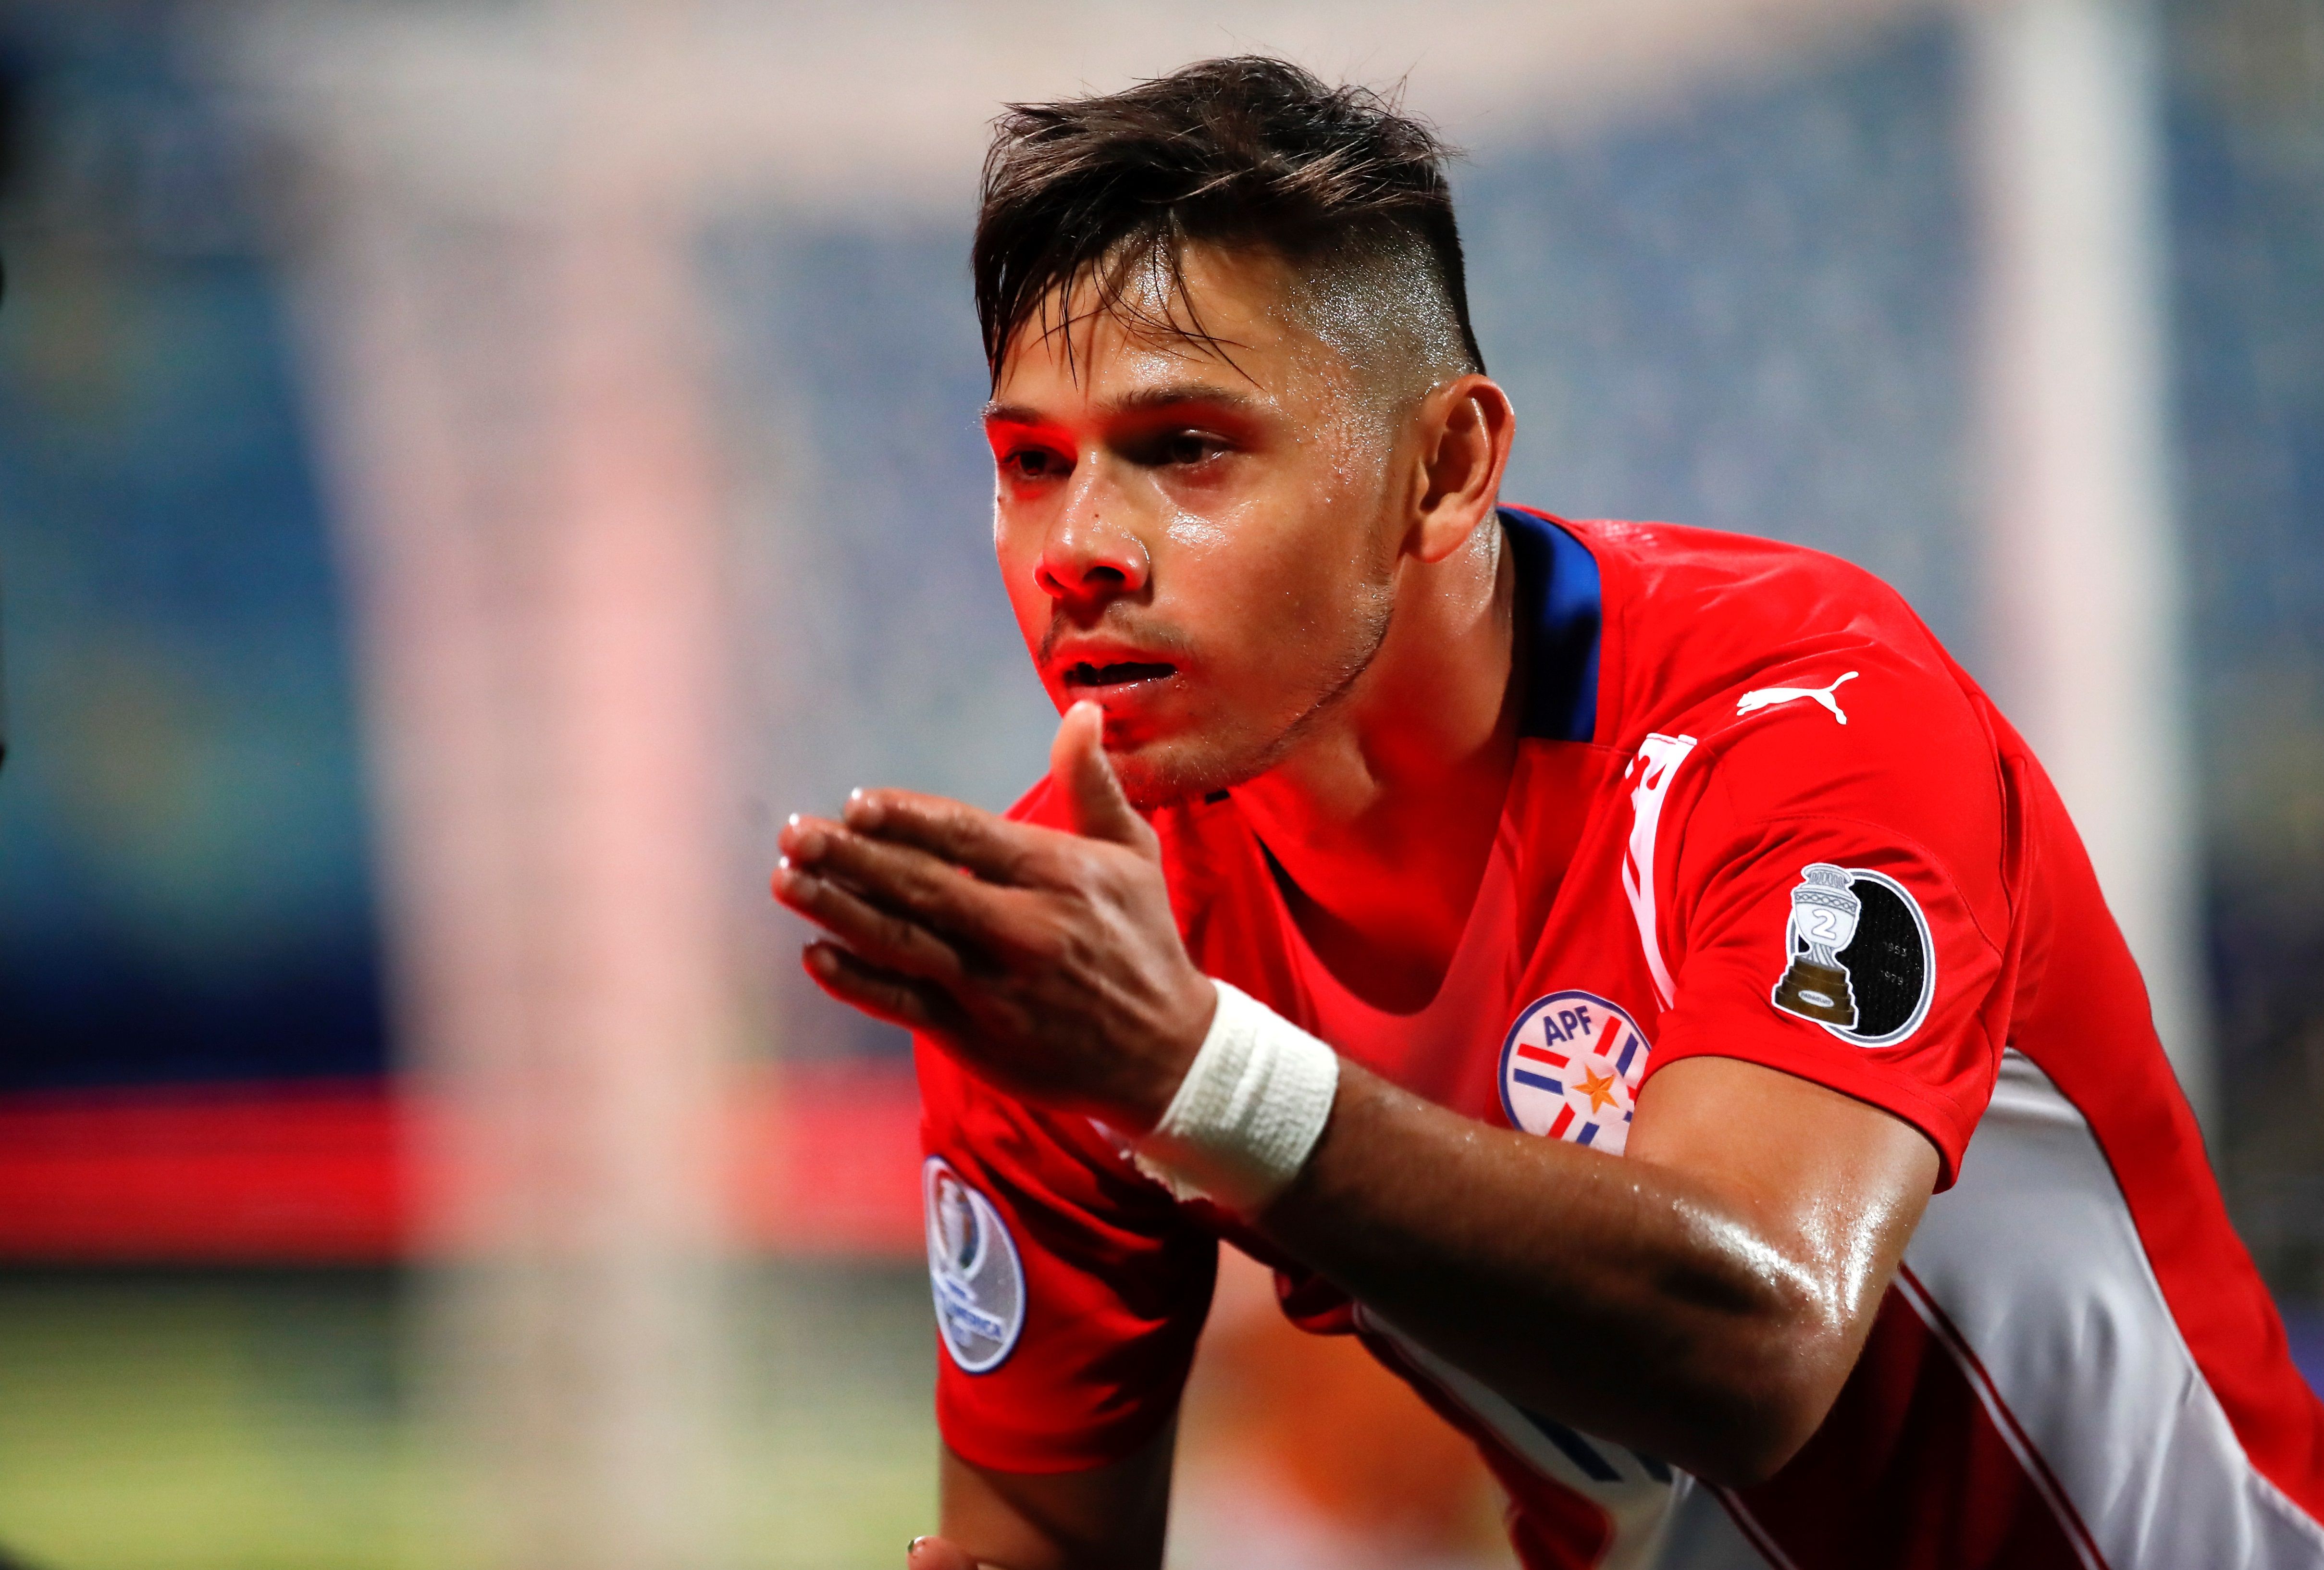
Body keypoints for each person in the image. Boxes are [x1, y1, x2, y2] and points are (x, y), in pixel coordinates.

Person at [771, 56, 2324, 1570]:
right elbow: (1034, 1538)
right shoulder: (1076, 921)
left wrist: (1191, 1070)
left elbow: (1761, 1343)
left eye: (1183, 449)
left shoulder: (1804, 717)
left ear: (1444, 466)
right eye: (1030, 463)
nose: (1079, 547)